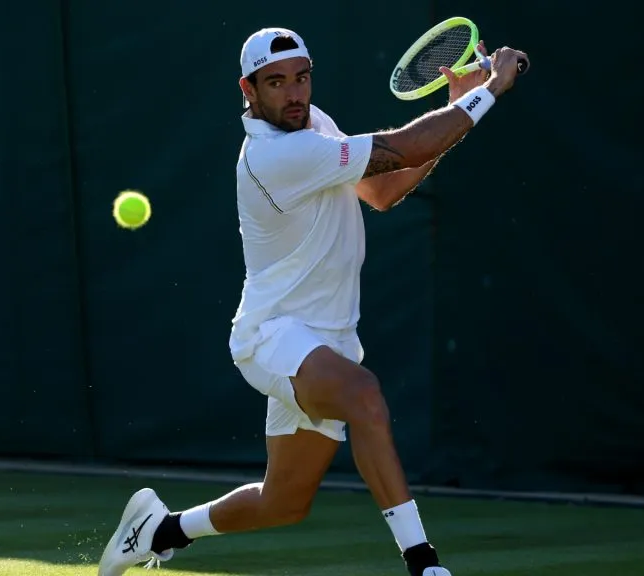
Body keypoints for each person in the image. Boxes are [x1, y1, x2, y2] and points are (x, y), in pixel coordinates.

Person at [97, 26, 528, 576]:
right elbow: (406, 146)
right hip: (271, 336)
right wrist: (487, 90)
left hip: (329, 339)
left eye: (300, 78)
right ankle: (424, 565)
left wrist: (453, 106)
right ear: (248, 90)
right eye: (276, 83)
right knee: (364, 395)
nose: (294, 94)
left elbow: (383, 189)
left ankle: (160, 529)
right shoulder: (277, 154)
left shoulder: (313, 123)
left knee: (283, 503)